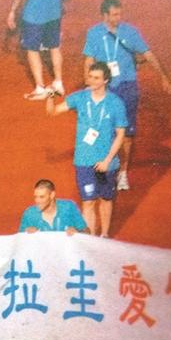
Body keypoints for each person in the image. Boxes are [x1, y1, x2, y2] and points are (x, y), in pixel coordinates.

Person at [82, 0, 171, 191]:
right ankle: (104, 167)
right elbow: (88, 60)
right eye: (114, 15)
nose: (118, 18)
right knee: (102, 130)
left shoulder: (130, 31)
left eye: (119, 14)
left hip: (127, 87)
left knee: (126, 133)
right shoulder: (94, 33)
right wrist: (88, 84)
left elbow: (148, 54)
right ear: (105, 15)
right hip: (105, 87)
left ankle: (122, 173)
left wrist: (163, 76)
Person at [18, 179, 89, 340]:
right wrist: (27, 235)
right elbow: (18, 243)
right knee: (44, 317)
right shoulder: (29, 214)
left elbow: (87, 233)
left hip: (66, 270)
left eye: (41, 197)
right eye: (35, 197)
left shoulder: (69, 208)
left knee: (63, 312)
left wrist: (77, 233)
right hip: (41, 271)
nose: (37, 201)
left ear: (52, 195)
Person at [46, 62, 127, 238]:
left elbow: (120, 135)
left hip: (107, 163)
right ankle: (90, 239)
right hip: (83, 160)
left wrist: (107, 161)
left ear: (105, 80)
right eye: (90, 77)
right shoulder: (80, 98)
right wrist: (50, 96)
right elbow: (53, 112)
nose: (91, 81)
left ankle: (104, 235)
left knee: (106, 200)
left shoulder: (116, 103)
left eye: (96, 78)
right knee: (88, 201)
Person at [7, 0, 69, 100]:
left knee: (32, 50)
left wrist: (13, 9)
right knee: (55, 47)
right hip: (54, 11)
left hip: (34, 13)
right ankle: (58, 83)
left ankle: (40, 88)